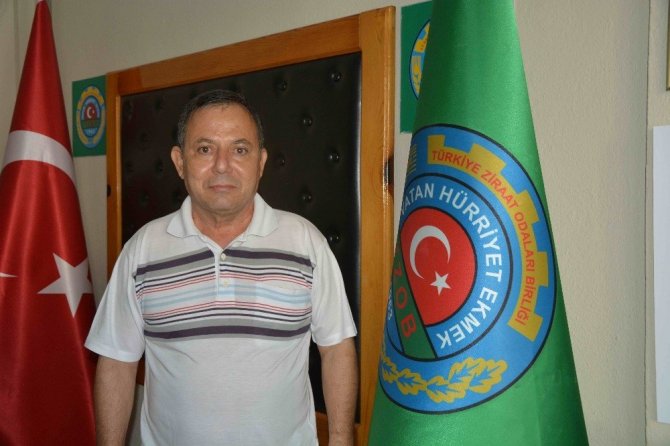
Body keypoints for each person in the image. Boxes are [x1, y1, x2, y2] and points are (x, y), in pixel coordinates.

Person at [85, 89, 358, 445]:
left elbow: (336, 349)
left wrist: (340, 440)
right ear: (179, 161)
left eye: (240, 150)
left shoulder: (307, 244)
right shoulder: (142, 250)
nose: (222, 165)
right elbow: (117, 362)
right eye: (205, 149)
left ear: (260, 162)